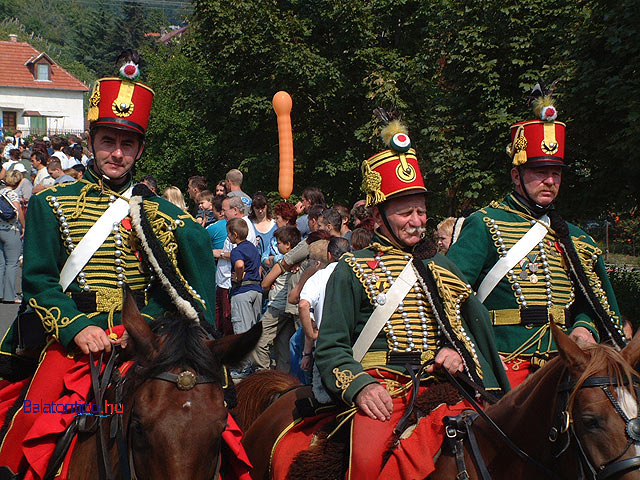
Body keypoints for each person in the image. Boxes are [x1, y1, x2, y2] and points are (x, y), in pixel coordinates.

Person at [0, 53, 234, 479]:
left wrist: (143, 329)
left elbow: (179, 294)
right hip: (75, 338)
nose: (117, 153)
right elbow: (38, 282)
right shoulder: (52, 204)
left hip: (144, 342)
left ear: (140, 149)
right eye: (108, 141)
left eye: (128, 144)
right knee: (32, 421)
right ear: (92, 141)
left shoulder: (165, 215)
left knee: (216, 425)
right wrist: (75, 328)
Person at [311, 114, 509, 479]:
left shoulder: (441, 266)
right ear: (377, 216)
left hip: (439, 385)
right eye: (405, 213)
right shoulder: (352, 269)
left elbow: (468, 329)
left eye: (421, 211)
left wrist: (456, 350)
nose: (417, 221)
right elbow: (331, 348)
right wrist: (360, 386)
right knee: (367, 461)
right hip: (380, 389)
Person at [447, 83, 626, 388]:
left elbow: (595, 305)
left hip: (565, 367)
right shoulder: (485, 223)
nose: (550, 180)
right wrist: (467, 348)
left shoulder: (578, 240)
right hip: (503, 364)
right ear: (516, 175)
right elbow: (447, 295)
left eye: (556, 173)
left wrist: (583, 329)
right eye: (539, 172)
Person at [252, 225, 301, 371]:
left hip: (277, 306)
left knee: (258, 339)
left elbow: (265, 284)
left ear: (288, 245)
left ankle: (264, 375)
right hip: (288, 307)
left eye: (278, 242)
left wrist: (270, 282)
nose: (276, 245)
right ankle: (283, 378)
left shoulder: (285, 261)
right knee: (283, 344)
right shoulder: (300, 259)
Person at [213, 196, 256, 336]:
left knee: (230, 325)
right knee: (221, 325)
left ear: (235, 210)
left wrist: (220, 254)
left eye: (225, 210)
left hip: (231, 284)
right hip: (223, 281)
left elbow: (241, 257)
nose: (222, 213)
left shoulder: (244, 227)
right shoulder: (235, 224)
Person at [228, 217, 262, 336]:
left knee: (243, 334)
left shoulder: (236, 251)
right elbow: (259, 268)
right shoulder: (253, 248)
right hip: (256, 290)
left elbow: (239, 264)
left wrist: (238, 277)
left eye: (229, 234)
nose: (228, 237)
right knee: (255, 334)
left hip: (242, 290)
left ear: (235, 235)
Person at [0, 171, 25, 304]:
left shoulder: (1, 192)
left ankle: (0, 293)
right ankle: (10, 296)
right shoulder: (12, 194)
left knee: (1, 263)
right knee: (12, 263)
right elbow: (17, 210)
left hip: (0, 228)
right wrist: (24, 225)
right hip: (11, 229)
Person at [249, 191, 276, 260]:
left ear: (266, 207)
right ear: (253, 208)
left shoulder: (275, 224)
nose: (260, 211)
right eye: (257, 208)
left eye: (262, 208)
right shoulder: (249, 224)